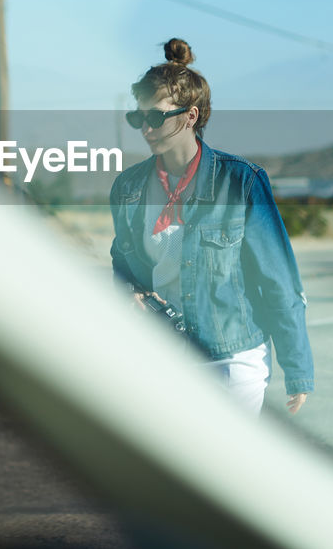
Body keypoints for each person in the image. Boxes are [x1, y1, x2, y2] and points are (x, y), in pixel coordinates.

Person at [109, 38, 314, 414]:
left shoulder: (242, 181)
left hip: (231, 361)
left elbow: (278, 278)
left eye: (155, 117)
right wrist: (128, 292)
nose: (146, 128)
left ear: (190, 116)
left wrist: (297, 369)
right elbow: (122, 263)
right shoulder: (128, 188)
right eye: (138, 118)